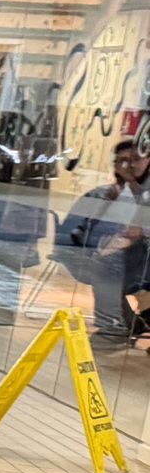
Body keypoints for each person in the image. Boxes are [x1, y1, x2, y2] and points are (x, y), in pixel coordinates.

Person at [57, 137, 150, 339]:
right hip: (103, 257)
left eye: (135, 159)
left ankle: (126, 322)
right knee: (109, 266)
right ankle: (122, 322)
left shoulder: (144, 196)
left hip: (132, 261)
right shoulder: (102, 194)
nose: (129, 165)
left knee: (112, 266)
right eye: (122, 160)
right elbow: (71, 231)